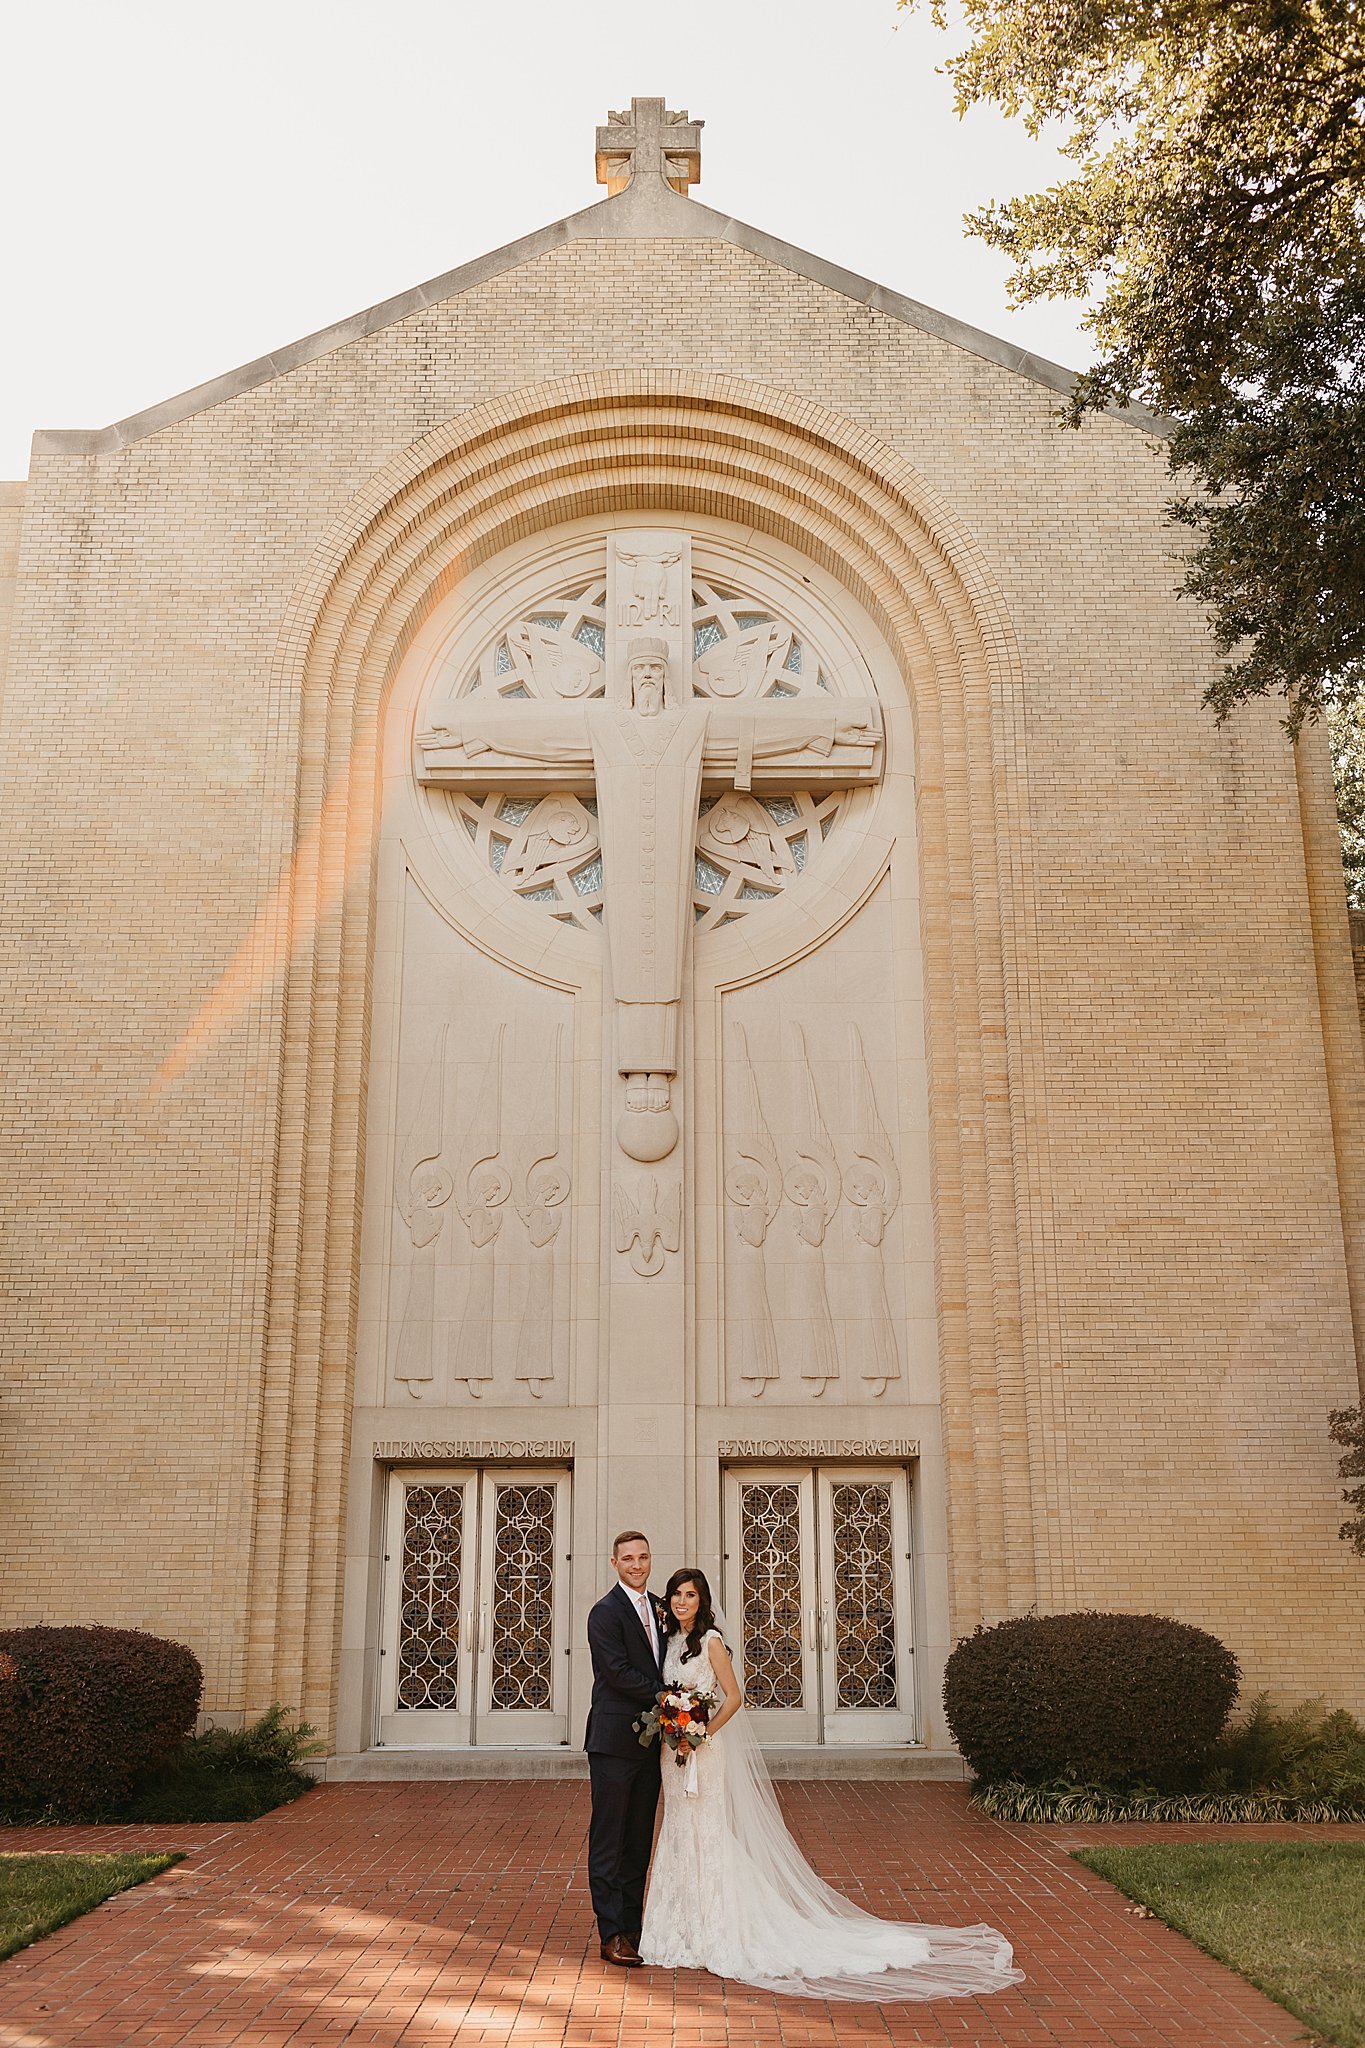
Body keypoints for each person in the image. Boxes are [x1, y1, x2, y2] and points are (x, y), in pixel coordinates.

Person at [638, 1567, 1024, 2003]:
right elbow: (669, 1695)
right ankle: (679, 1929)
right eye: (676, 1594)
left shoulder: (711, 1643)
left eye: (690, 1595)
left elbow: (733, 1697)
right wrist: (675, 1729)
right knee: (677, 1829)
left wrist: (702, 1734)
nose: (681, 1601)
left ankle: (716, 1929)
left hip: (703, 1753)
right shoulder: (668, 1642)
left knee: (706, 1831)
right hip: (674, 1754)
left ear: (702, 1601)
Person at [584, 1529, 668, 1967]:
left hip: (652, 1742)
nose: (636, 1565)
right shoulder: (604, 1612)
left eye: (643, 1557)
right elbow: (616, 1673)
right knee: (610, 1839)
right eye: (628, 1559)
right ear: (614, 1563)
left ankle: (634, 1928)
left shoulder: (660, 1608)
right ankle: (612, 1932)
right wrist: (668, 1696)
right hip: (614, 1741)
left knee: (638, 1839)